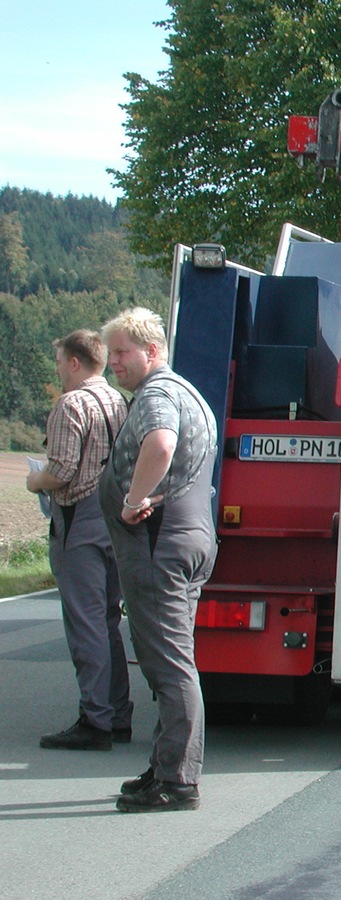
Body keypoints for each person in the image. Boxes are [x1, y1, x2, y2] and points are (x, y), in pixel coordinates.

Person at [98, 307, 217, 814]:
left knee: (168, 665)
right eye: (111, 353)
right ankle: (165, 763)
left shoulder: (157, 394)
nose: (113, 363)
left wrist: (132, 500)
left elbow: (161, 442)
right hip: (187, 538)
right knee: (172, 659)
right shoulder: (189, 391)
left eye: (121, 352)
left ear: (152, 351)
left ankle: (177, 780)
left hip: (158, 544)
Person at [27, 330, 133, 751]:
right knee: (108, 619)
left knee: (85, 621)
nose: (58, 369)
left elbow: (62, 470)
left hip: (79, 518)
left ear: (74, 362)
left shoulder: (71, 404)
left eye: (59, 362)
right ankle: (118, 712)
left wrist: (36, 480)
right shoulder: (118, 400)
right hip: (115, 515)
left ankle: (95, 718)